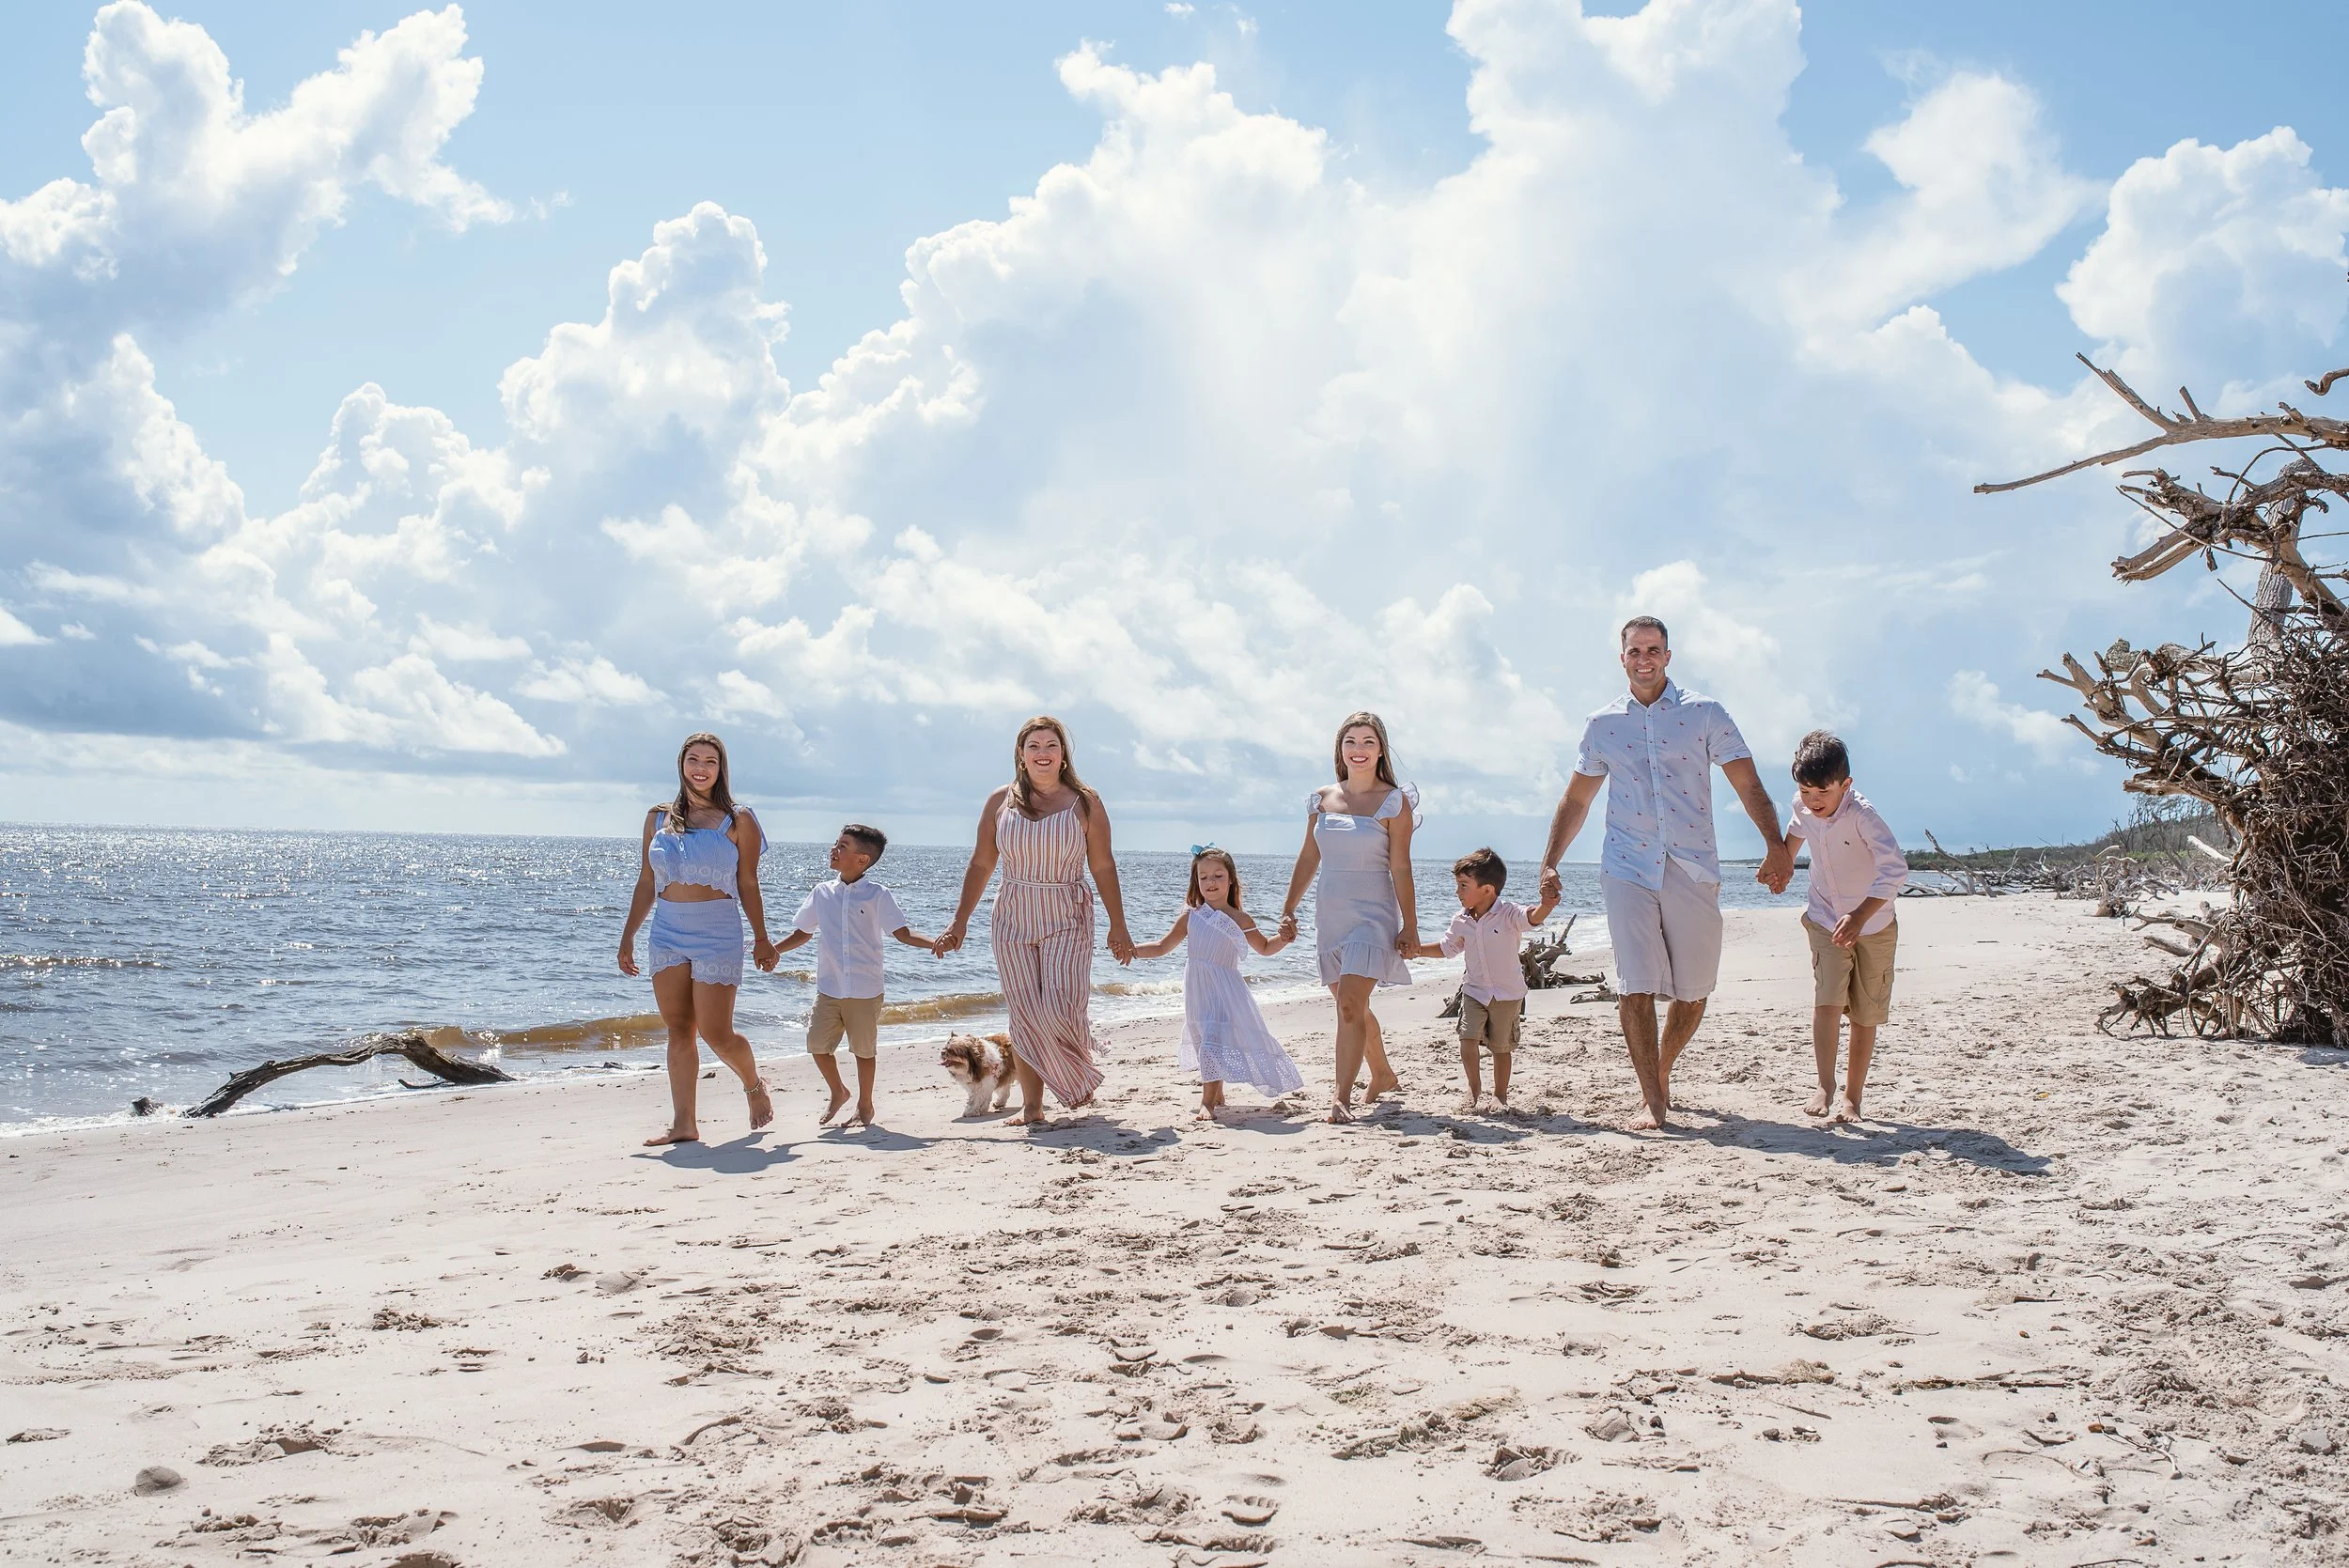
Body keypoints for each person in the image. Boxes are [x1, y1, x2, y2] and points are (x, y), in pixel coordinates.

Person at [1539, 618, 1793, 1131]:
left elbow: (1747, 784)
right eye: (1635, 651)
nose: (1644, 659)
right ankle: (1652, 1100)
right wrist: (1550, 861)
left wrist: (1775, 846)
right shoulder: (1602, 724)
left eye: (1653, 650)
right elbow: (1577, 799)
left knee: (1693, 993)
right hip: (1626, 866)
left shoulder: (1705, 713)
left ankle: (1662, 1069)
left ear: (1668, 656)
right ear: (1622, 659)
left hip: (1692, 865)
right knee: (1634, 985)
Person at [936, 717, 1136, 1126]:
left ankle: (1075, 1072)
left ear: (1063, 755)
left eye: (1051, 745)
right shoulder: (1000, 801)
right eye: (1034, 746)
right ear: (1021, 754)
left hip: (1067, 912)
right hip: (1012, 914)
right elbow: (981, 863)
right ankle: (1032, 1107)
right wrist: (960, 921)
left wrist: (1118, 924)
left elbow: (1102, 864)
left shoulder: (1085, 802)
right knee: (1025, 1014)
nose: (1042, 753)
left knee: (1061, 1007)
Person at [617, 732, 779, 1146]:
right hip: (666, 931)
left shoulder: (738, 819)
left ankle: (753, 1083)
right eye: (693, 759)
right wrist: (628, 937)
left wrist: (762, 938)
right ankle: (684, 1123)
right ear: (681, 764)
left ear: (721, 768)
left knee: (716, 1032)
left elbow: (748, 883)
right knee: (678, 1028)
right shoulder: (657, 818)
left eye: (710, 760)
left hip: (717, 930)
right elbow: (646, 881)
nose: (701, 768)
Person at [1278, 712, 1421, 1124]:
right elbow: (1309, 857)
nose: (1359, 750)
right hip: (1331, 913)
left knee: (1350, 1006)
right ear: (1340, 749)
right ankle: (1383, 1074)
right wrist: (1288, 908)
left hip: (1373, 914)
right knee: (1350, 1005)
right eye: (1350, 742)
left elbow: (1401, 867)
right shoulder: (1321, 799)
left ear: (1381, 751)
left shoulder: (1394, 801)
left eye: (1368, 742)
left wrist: (1410, 925)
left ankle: (1341, 1097)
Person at [770, 824, 936, 1128]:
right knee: (817, 1044)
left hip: (865, 988)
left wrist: (935, 943)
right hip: (829, 987)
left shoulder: (877, 895)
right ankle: (839, 1092)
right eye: (836, 843)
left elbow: (902, 933)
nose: (834, 849)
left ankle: (865, 1105)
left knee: (863, 1051)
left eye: (842, 846)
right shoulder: (822, 893)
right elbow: (803, 932)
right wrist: (774, 950)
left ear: (862, 859)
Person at [1781, 731, 1906, 1123]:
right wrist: (1782, 863)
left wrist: (1860, 915)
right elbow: (1796, 830)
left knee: (1865, 1015)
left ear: (1845, 785)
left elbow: (1895, 871)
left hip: (1875, 925)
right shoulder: (1802, 806)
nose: (1813, 800)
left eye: (1823, 791)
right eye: (1805, 791)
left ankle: (1852, 1099)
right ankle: (1825, 1086)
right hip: (1824, 918)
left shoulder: (1863, 817)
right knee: (1828, 1001)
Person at [1129, 846, 1305, 1121]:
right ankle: (1217, 1092)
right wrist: (1132, 951)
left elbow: (1264, 948)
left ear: (1231, 879)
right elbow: (1163, 946)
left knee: (1213, 1038)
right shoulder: (1191, 916)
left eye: (1218, 876)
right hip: (1197, 990)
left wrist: (1284, 939)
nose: (1211, 882)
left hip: (1225, 989)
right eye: (1204, 877)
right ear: (1196, 882)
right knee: (1205, 1039)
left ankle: (1207, 1102)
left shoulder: (1241, 919)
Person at [1407, 847, 1559, 1114]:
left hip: (1507, 994)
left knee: (1501, 1048)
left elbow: (1532, 917)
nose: (1457, 892)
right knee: (1467, 1039)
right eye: (1457, 885)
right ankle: (1474, 1089)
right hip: (1474, 991)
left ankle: (1500, 1095)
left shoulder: (1509, 913)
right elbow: (1446, 949)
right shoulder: (1461, 920)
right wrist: (1416, 950)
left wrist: (1546, 905)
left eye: (1463, 885)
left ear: (1487, 889)